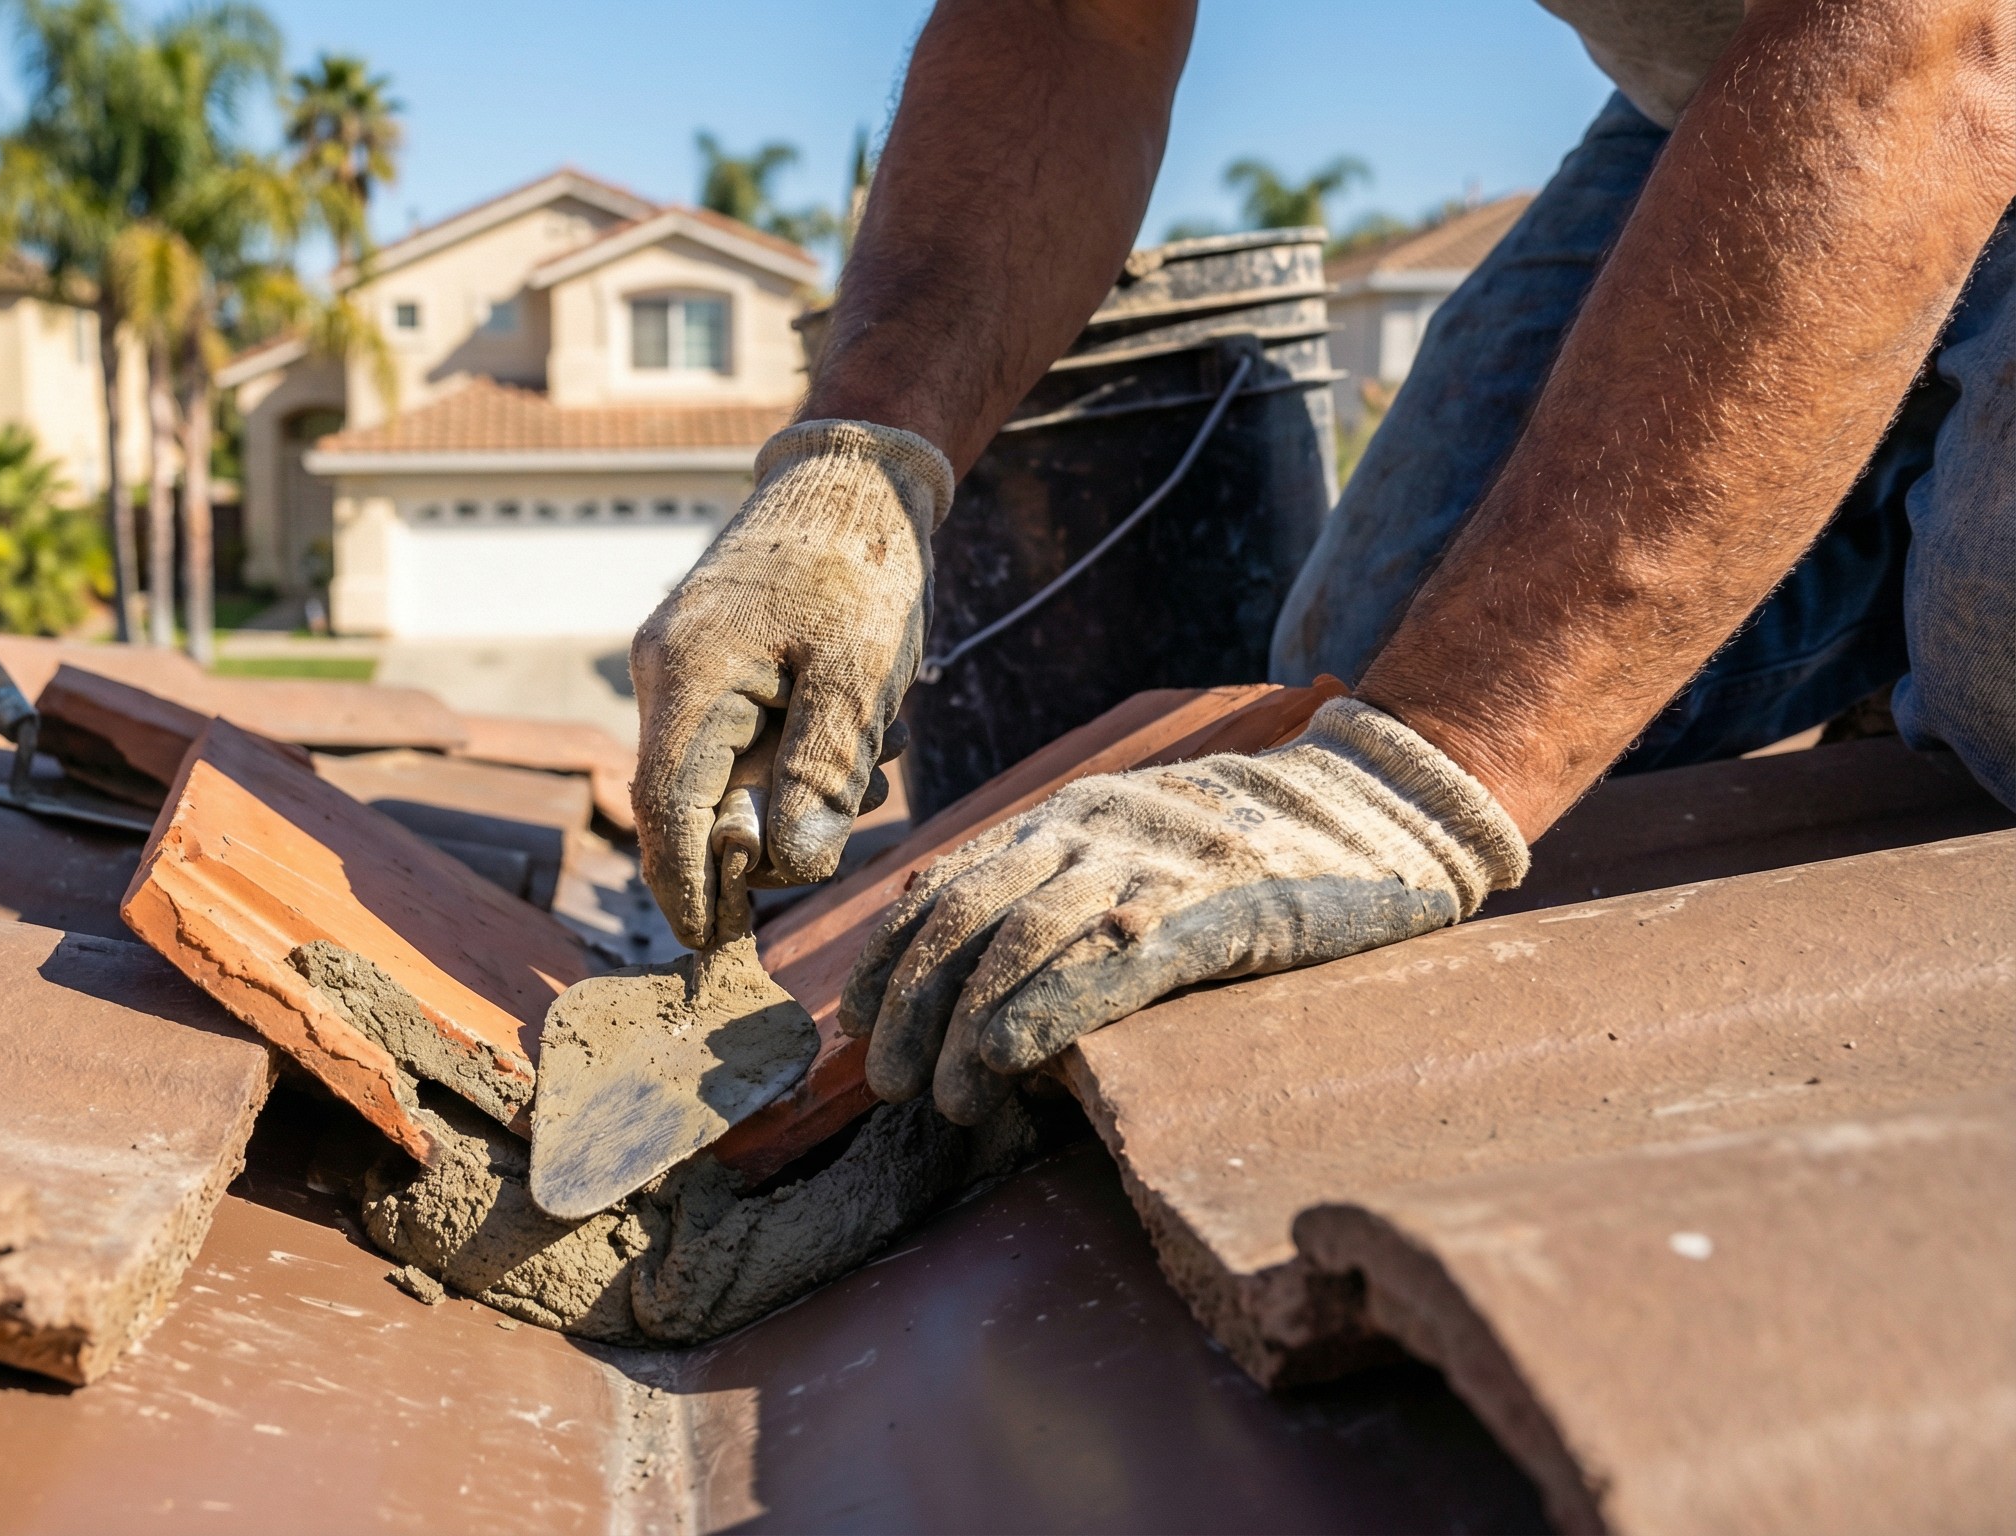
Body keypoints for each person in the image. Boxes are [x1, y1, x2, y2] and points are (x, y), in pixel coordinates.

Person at [631, 0, 2016, 1125]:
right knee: (1362, 652)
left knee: (1993, 662)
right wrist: (864, 462)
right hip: (1741, 77)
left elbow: (1921, 38)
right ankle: (1893, 430)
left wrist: (1442, 763)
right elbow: (1069, 22)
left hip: (1916, 39)